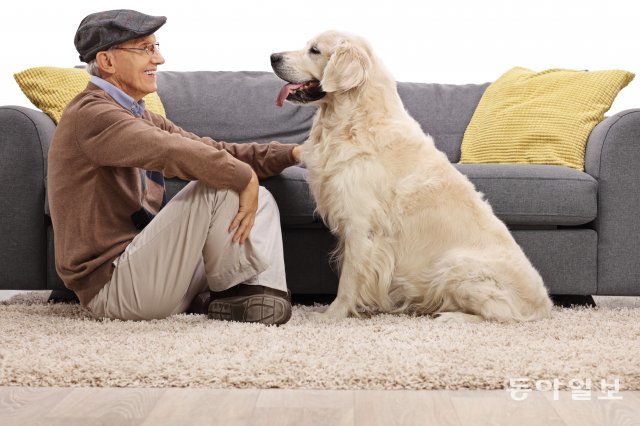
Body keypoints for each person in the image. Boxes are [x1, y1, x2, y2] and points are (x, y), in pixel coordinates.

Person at [48, 9, 301, 325]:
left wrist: (292, 153)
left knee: (260, 197)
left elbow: (211, 150)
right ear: (107, 62)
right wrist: (243, 176)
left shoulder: (136, 114)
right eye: (145, 49)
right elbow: (173, 152)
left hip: (151, 269)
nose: (159, 59)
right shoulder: (93, 115)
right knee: (217, 184)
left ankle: (257, 297)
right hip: (113, 287)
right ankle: (235, 295)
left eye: (156, 47)